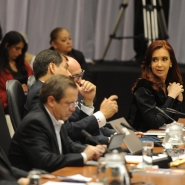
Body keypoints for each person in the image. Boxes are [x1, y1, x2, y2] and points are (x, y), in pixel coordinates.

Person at [9, 74, 106, 172]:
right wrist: (84, 156)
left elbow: (69, 145)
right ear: (51, 101)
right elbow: (45, 162)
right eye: (69, 103)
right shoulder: (35, 123)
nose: (73, 109)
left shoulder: (57, 117)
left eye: (74, 103)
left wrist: (92, 150)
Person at [24, 50, 118, 145]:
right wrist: (102, 115)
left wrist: (88, 101)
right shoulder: (40, 93)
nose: (69, 74)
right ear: (52, 67)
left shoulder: (48, 90)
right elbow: (67, 131)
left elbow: (76, 129)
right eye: (66, 68)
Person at [127, 40, 184, 132]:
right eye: (155, 60)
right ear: (150, 63)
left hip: (154, 137)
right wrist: (171, 96)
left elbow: (170, 121)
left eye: (164, 59)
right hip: (136, 138)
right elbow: (155, 122)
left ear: (171, 62)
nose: (159, 64)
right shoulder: (143, 86)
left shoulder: (166, 84)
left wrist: (178, 100)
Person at [68, 56, 116, 143]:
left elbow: (92, 127)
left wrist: (120, 135)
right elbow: (73, 132)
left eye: (81, 75)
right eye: (76, 76)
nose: (81, 80)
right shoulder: (59, 100)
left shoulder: (78, 93)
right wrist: (102, 114)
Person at [0, 31, 33, 112]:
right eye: (17, 48)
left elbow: (33, 79)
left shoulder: (23, 63)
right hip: (8, 108)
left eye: (21, 49)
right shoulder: (1, 66)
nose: (20, 52)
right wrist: (17, 91)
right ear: (7, 45)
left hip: (26, 103)